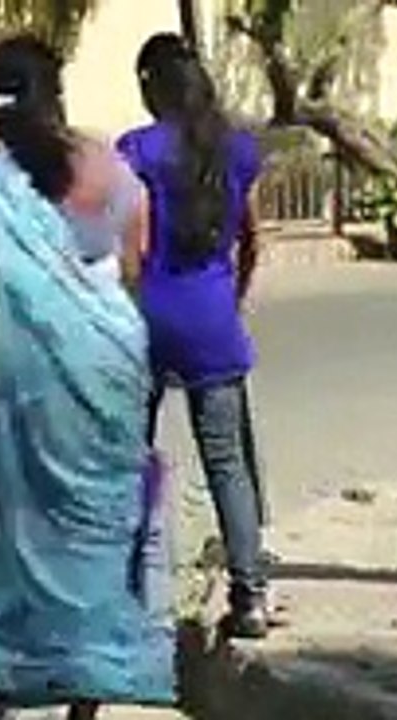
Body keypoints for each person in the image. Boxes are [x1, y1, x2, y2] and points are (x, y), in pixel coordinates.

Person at [0, 35, 173, 719]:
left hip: (25, 390)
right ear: (56, 91)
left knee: (1, 533)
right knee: (96, 535)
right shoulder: (119, 177)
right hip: (111, 377)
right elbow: (135, 284)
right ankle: (85, 701)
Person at [116, 33, 271, 639]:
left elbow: (138, 248)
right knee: (227, 462)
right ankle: (251, 595)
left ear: (152, 86)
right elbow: (254, 239)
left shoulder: (139, 150)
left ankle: (131, 598)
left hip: (149, 315)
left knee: (132, 462)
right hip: (212, 316)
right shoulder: (237, 149)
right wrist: (230, 303)